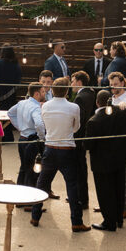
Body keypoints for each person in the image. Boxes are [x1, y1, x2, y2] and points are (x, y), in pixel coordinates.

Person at [29, 77, 90, 232]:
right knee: (72, 186)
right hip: (67, 149)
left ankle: (35, 216)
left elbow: (44, 123)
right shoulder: (73, 107)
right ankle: (76, 221)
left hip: (50, 147)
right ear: (67, 91)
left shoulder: (45, 106)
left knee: (42, 183)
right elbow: (76, 128)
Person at [84, 90, 126, 231]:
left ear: (97, 102)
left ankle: (109, 222)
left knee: (105, 192)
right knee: (119, 188)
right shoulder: (123, 112)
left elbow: (88, 145)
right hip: (120, 159)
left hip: (102, 162)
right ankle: (119, 219)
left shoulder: (94, 121)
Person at [108, 72, 126, 218]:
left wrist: (123, 105)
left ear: (123, 83)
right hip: (110, 145)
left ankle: (125, 208)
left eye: (116, 84)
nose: (113, 87)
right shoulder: (110, 99)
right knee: (111, 176)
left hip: (123, 145)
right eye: (112, 84)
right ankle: (110, 204)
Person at [8, 82, 46, 189]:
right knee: (32, 170)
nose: (45, 93)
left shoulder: (22, 103)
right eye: (43, 92)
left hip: (22, 139)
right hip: (32, 139)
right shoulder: (36, 107)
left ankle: (20, 197)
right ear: (36, 94)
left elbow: (10, 113)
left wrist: (19, 126)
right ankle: (29, 200)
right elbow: (39, 124)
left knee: (24, 167)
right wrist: (42, 137)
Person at [70, 71, 96, 209]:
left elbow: (78, 120)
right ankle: (81, 197)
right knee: (81, 168)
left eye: (73, 81)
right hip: (85, 136)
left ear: (79, 82)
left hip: (79, 138)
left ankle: (81, 198)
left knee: (79, 169)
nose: (71, 84)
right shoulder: (91, 93)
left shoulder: (80, 97)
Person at [0, 45, 22, 142]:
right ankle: (8, 137)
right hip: (11, 95)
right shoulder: (16, 64)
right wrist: (12, 90)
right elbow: (18, 81)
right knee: (8, 115)